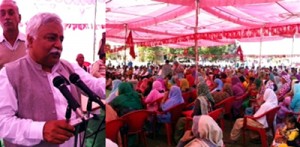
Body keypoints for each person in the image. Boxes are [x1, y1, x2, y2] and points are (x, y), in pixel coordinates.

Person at [0, 12, 105, 146]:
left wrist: (113, 85)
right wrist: (40, 130)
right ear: (31, 40)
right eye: (51, 38)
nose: (59, 45)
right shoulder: (9, 74)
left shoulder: (69, 67)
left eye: (61, 39)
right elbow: (2, 122)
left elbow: (95, 85)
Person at [0, 0, 26, 69]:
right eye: (2, 14)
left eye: (11, 13)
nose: (7, 17)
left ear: (19, 18)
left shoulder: (30, 44)